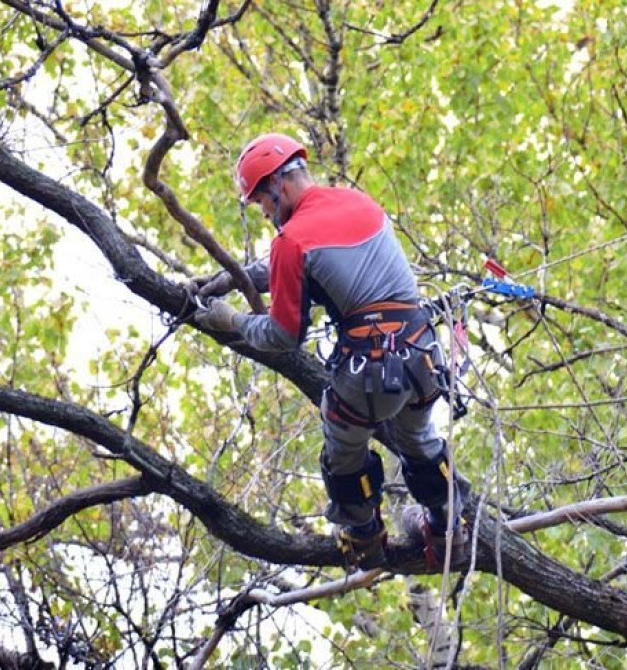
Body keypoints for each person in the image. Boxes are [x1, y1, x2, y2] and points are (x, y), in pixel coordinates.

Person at [191, 133, 467, 570]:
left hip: (369, 368)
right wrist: (234, 277)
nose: (264, 214)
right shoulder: (360, 204)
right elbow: (313, 264)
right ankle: (447, 523)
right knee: (417, 438)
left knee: (343, 445)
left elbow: (284, 335)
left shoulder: (292, 240)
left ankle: (363, 536)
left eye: (262, 202)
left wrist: (232, 321)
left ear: (277, 187)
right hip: (421, 352)